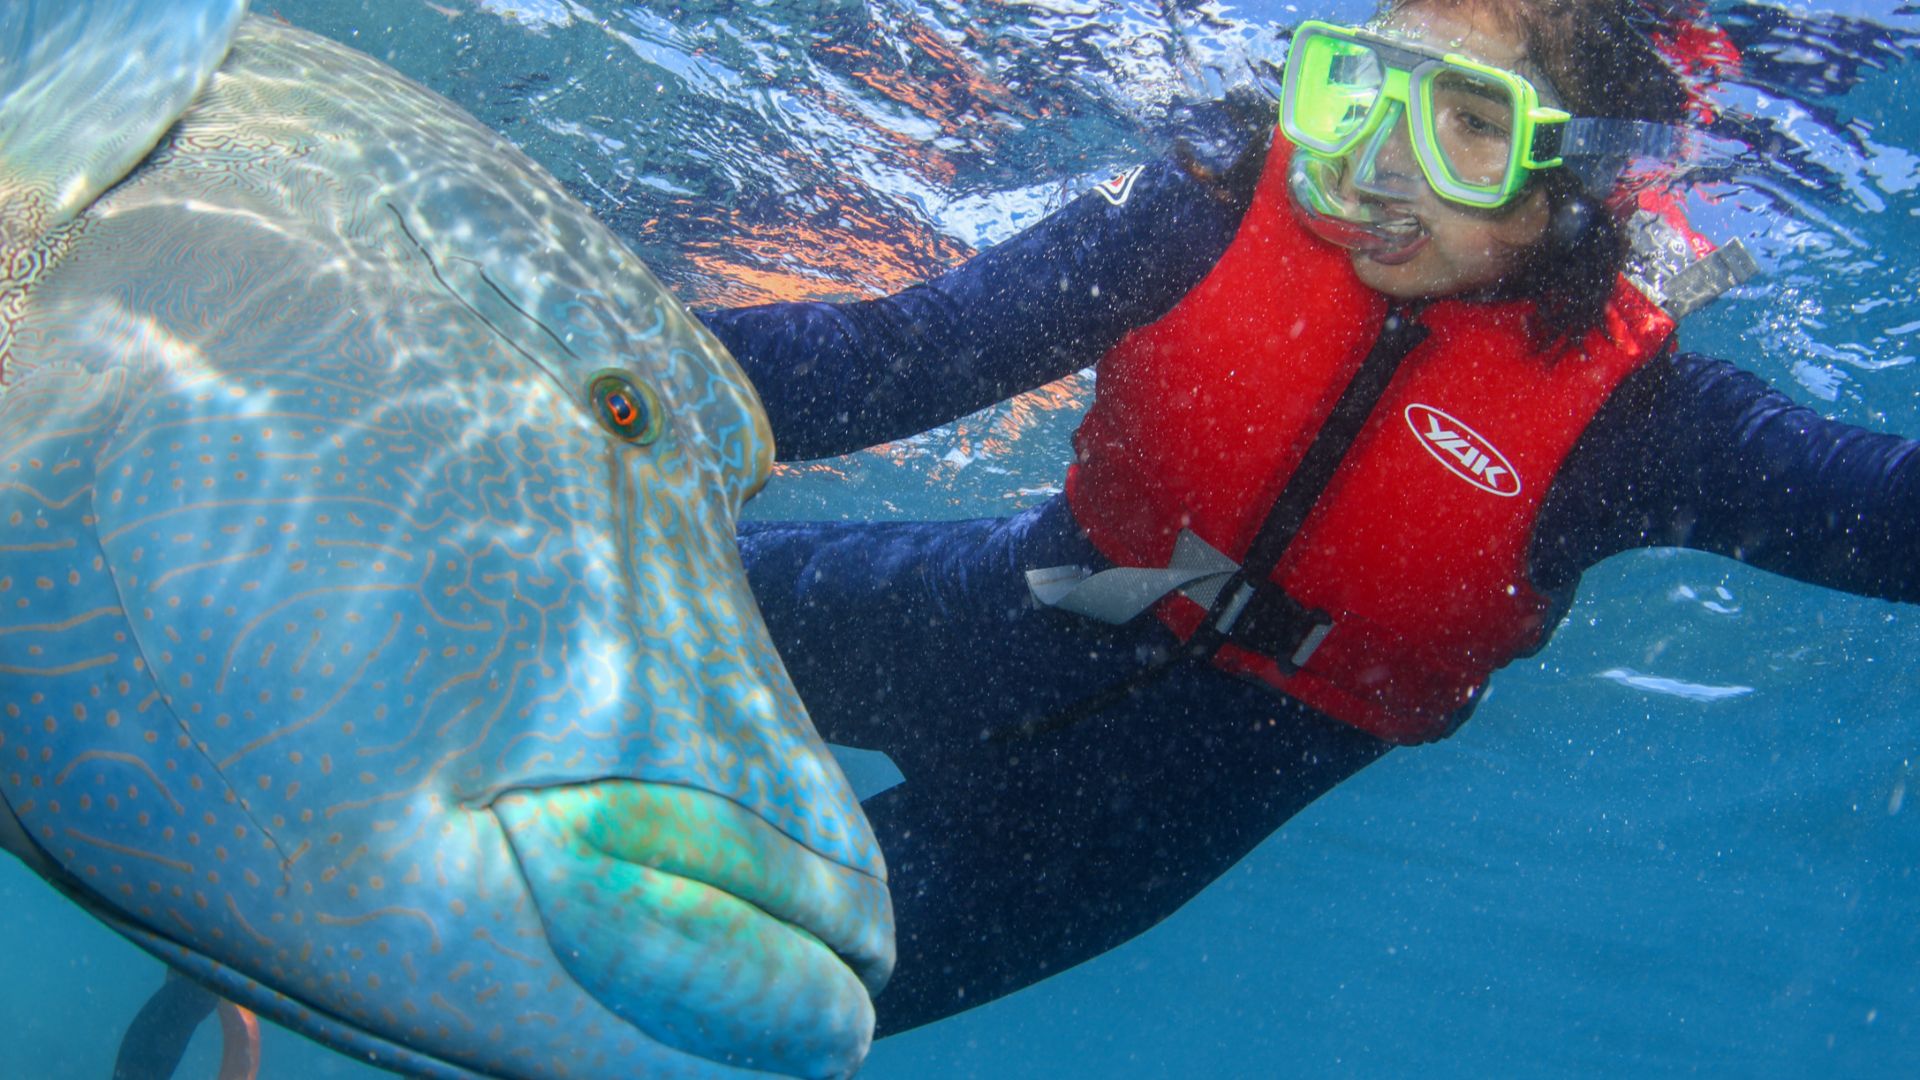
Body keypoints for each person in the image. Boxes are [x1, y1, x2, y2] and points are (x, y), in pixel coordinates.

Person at [697, 0, 1920, 1037]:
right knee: (544, 597)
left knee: (700, 1002)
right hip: (989, 611)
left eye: (1472, 127)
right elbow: (886, 360)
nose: (1382, 163)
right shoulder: (1204, 217)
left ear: (1576, 185)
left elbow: (1891, 513)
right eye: (1361, 91)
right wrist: (541, 355)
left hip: (1106, 835)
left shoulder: (1638, 428)